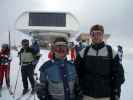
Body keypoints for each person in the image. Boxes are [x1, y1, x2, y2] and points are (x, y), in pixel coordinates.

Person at [75, 24, 125, 100]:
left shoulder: (111, 53)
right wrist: (78, 89)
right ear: (91, 35)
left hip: (105, 95)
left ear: (102, 35)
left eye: (99, 34)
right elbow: (76, 72)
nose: (96, 36)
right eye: (94, 34)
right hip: (87, 95)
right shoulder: (83, 52)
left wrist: (116, 91)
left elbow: (119, 75)